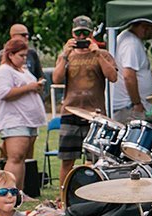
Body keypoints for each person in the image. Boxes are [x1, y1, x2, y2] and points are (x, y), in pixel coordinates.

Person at [52, 15, 117, 189]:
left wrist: (96, 53)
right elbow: (56, 79)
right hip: (70, 113)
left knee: (94, 161)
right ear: (72, 34)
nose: (81, 37)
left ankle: (94, 196)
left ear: (91, 34)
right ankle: (64, 198)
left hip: (95, 116)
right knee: (67, 161)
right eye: (78, 33)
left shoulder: (102, 54)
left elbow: (113, 77)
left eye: (85, 34)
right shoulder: (66, 55)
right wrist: (64, 55)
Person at [0, 38, 46, 192]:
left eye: (25, 56)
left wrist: (37, 87)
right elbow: (4, 93)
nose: (24, 59)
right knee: (15, 157)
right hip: (14, 119)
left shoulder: (23, 70)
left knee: (22, 159)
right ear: (10, 55)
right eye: (21, 56)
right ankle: (8, 192)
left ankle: (19, 192)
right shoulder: (3, 71)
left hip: (29, 120)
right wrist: (30, 87)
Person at [111, 21, 152, 123]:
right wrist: (137, 103)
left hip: (128, 106)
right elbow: (128, 76)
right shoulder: (131, 43)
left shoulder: (127, 38)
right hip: (129, 108)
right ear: (144, 27)